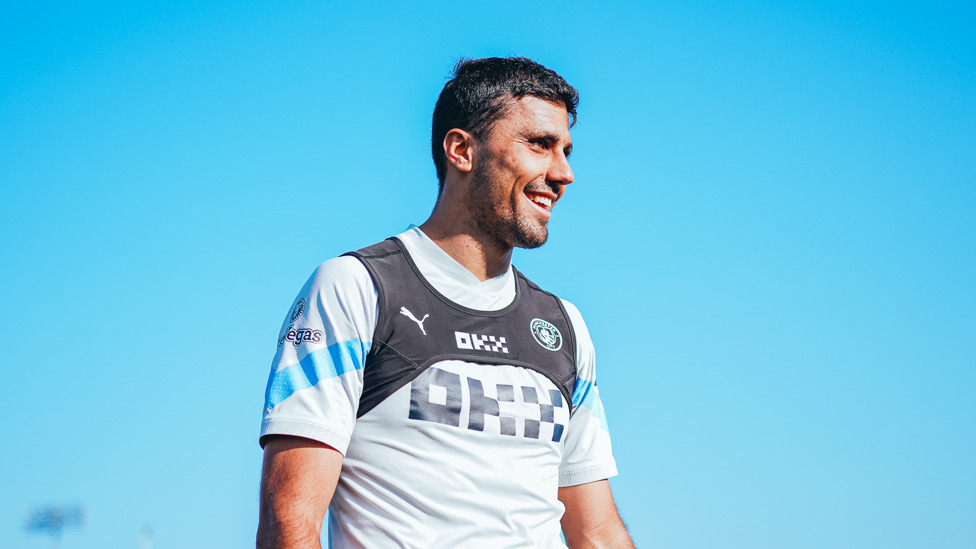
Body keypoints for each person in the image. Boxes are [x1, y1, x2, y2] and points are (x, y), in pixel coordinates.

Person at [256, 57, 635, 549]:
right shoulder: (358, 286)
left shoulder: (564, 325)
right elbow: (291, 518)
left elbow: (598, 532)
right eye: (540, 145)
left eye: (566, 150)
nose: (563, 173)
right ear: (461, 150)